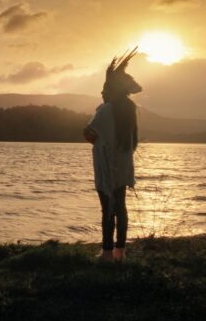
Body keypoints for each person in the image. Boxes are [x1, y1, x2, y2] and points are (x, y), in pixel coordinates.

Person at [83, 47, 142, 262]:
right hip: (123, 164)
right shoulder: (129, 110)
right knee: (120, 207)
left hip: (108, 166)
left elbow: (88, 132)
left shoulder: (106, 109)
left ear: (112, 89)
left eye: (105, 88)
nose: (102, 92)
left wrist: (98, 140)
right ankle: (120, 252)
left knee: (107, 208)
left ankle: (107, 252)